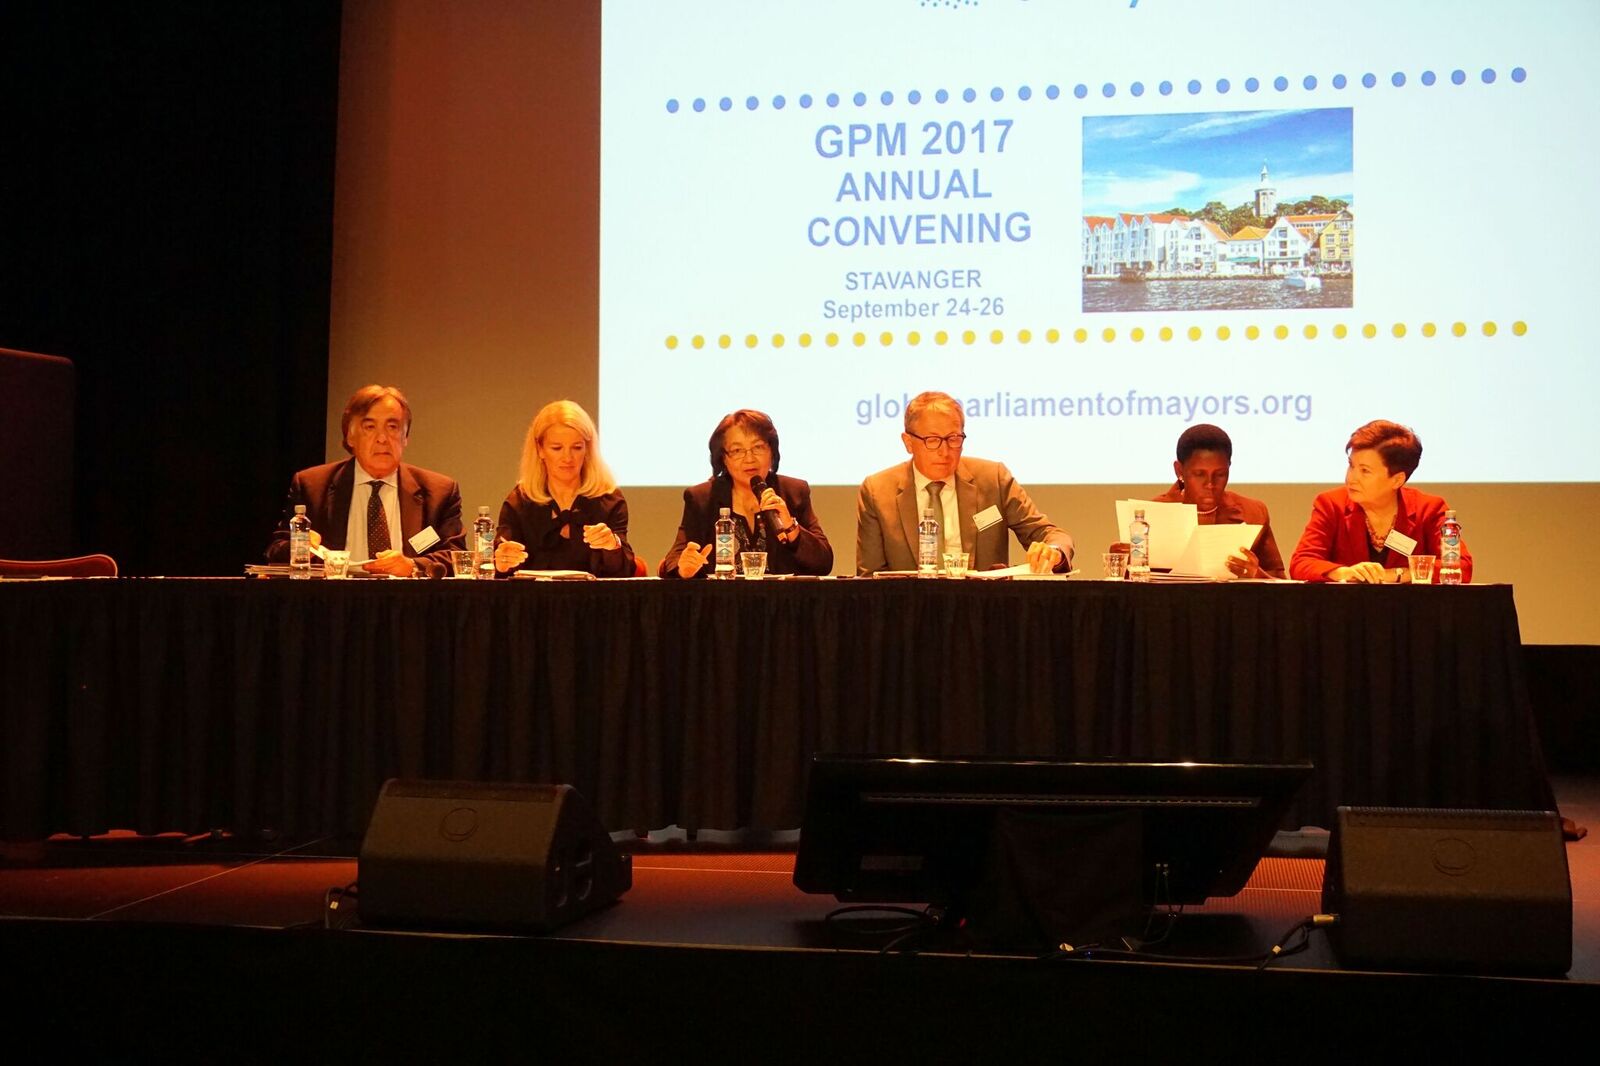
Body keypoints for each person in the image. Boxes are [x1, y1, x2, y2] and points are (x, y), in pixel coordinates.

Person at [856, 390, 1074, 574]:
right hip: (909, 608)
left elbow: (1051, 534)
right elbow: (870, 579)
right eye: (932, 440)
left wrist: (1053, 551)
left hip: (983, 606)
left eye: (954, 439)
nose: (945, 451)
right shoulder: (878, 491)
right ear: (908, 443)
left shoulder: (994, 479)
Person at [266, 384, 463, 577]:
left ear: (405, 437)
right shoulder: (312, 485)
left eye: (392, 427)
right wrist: (299, 547)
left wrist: (412, 566)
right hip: (335, 596)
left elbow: (457, 556)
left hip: (408, 596)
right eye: (370, 427)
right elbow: (275, 551)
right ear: (350, 436)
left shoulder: (439, 492)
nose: (382, 438)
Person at [1290, 419, 1472, 583]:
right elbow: (1301, 563)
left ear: (1397, 480)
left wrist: (1397, 574)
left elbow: (1460, 567)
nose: (1351, 478)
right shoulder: (1331, 504)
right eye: (1351, 465)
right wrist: (1344, 573)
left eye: (1365, 471)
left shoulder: (1428, 509)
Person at [660, 409, 833, 578]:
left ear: (772, 452)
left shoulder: (793, 492)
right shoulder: (702, 498)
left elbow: (824, 563)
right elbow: (673, 560)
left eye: (758, 447)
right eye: (737, 450)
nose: (749, 459)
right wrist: (684, 568)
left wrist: (791, 527)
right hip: (721, 596)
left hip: (781, 597)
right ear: (723, 458)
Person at [492, 400, 636, 577]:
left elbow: (623, 572)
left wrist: (612, 546)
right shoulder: (519, 502)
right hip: (534, 594)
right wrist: (503, 561)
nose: (567, 458)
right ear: (540, 450)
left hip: (595, 594)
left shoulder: (609, 500)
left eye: (577, 447)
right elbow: (501, 569)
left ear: (587, 449)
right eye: (557, 448)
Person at [1143, 424, 1285, 579]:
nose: (1210, 484)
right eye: (1199, 474)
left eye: (1220, 474)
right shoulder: (1151, 516)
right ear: (1179, 470)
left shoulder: (1253, 513)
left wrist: (1256, 574)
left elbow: (1282, 585)